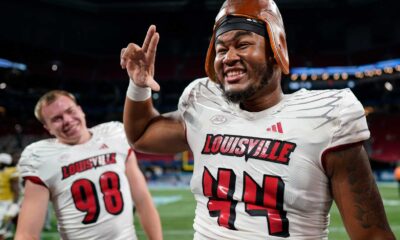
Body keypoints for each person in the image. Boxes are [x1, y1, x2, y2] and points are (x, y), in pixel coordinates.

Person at [120, 0, 396, 239]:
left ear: (276, 48)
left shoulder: (326, 118)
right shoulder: (204, 103)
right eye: (220, 49)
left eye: (242, 44)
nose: (228, 57)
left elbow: (372, 234)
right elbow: (141, 135)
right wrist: (139, 86)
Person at [15, 90, 162, 240]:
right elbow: (26, 234)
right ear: (48, 128)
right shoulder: (41, 158)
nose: (67, 120)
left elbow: (143, 202)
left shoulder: (114, 135)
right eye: (56, 119)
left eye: (70, 111)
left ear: (80, 110)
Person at [0, 152, 20, 240]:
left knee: (4, 220)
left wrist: (14, 203)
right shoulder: (2, 172)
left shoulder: (11, 172)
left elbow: (16, 189)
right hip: (2, 200)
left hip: (6, 201)